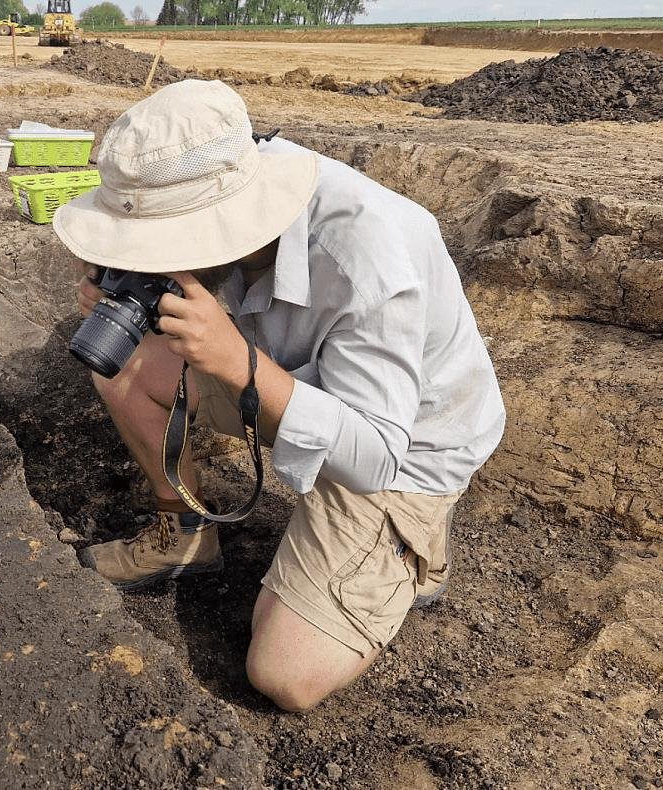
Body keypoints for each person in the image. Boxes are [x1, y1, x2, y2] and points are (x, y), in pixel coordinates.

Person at [52, 80, 506, 712]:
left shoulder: (366, 260)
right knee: (119, 359)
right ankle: (183, 530)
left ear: (218, 224)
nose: (155, 260)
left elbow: (378, 452)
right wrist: (122, 296)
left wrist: (239, 363)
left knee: (284, 673)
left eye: (160, 246)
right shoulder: (230, 181)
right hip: (289, 380)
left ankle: (412, 545)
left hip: (406, 447)